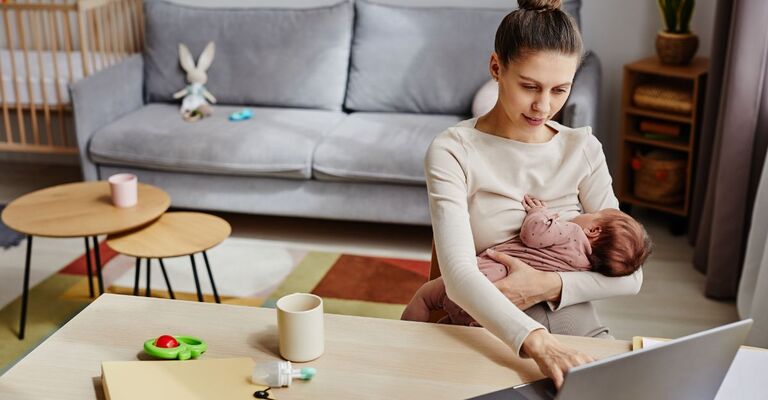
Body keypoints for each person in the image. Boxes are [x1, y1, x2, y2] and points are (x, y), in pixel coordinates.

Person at [424, 0, 643, 389]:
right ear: (496, 67)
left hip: (574, 325)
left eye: (560, 89)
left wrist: (548, 285)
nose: (544, 106)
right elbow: (457, 276)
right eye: (529, 86)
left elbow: (632, 278)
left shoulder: (583, 149)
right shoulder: (454, 150)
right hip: (490, 328)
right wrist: (537, 342)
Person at [402, 194, 652, 326]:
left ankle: (402, 340)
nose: (583, 214)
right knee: (453, 323)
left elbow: (533, 234)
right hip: (496, 310)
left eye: (592, 214)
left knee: (426, 296)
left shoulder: (572, 232)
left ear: (594, 231)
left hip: (485, 278)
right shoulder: (584, 267)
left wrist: (538, 212)